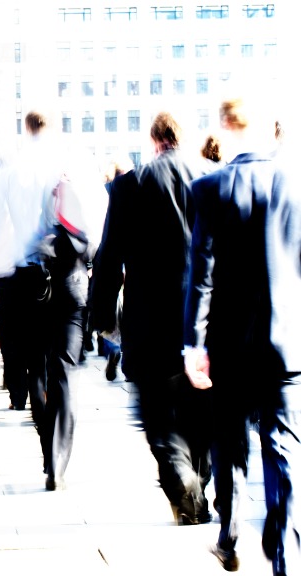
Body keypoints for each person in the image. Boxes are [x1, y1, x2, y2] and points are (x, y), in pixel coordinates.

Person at [0, 110, 106, 491]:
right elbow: (100, 222)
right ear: (57, 127)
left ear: (26, 129)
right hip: (70, 276)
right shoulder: (79, 164)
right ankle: (58, 459)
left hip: (28, 281)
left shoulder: (11, 171)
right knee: (64, 370)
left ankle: (46, 449)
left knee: (35, 368)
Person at [184, 98, 300, 575]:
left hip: (228, 344)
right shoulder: (293, 184)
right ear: (271, 131)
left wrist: (194, 342)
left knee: (229, 443)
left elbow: (201, 273)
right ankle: (285, 552)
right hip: (284, 339)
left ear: (225, 130)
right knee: (282, 447)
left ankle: (230, 532)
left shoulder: (209, 188)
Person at [91, 112, 212, 526]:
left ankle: (180, 478)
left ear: (154, 140)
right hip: (203, 318)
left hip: (147, 318)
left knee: (158, 415)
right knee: (200, 407)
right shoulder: (211, 176)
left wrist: (103, 314)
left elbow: (108, 257)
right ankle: (199, 473)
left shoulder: (129, 186)